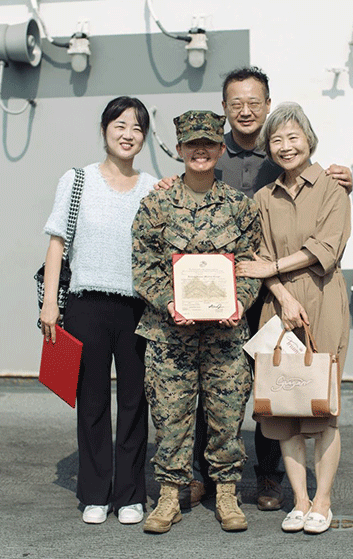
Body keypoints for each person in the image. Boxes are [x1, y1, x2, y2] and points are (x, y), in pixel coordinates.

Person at [157, 67, 352, 512]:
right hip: (214, 295)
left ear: (267, 105)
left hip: (269, 293)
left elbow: (316, 210)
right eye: (236, 103)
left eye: (254, 102)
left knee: (280, 385)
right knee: (213, 387)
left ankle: (269, 478)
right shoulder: (209, 155)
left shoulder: (279, 157)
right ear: (224, 109)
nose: (246, 110)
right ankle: (205, 476)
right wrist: (169, 181)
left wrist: (344, 182)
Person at [132, 110, 262, 533]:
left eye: (208, 144)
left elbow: (248, 264)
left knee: (226, 415)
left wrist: (240, 303)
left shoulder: (239, 208)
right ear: (181, 150)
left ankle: (227, 494)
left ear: (221, 149)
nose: (200, 151)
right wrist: (170, 302)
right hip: (171, 333)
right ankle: (170, 496)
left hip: (224, 335)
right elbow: (144, 267)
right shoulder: (156, 204)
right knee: (171, 417)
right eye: (192, 145)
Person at [39, 96, 158, 526]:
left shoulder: (152, 188)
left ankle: (129, 495)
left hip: (135, 308)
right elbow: (57, 243)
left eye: (137, 127)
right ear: (105, 129)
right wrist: (51, 302)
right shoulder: (75, 181)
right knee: (90, 402)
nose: (128, 134)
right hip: (86, 302)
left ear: (144, 137)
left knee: (133, 401)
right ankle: (94, 492)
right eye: (119, 125)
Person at [236, 102, 351, 535]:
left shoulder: (332, 189)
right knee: (284, 406)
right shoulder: (264, 198)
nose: (286, 147)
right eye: (277, 140)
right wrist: (280, 292)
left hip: (323, 300)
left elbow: (327, 247)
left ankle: (323, 500)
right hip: (280, 306)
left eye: (293, 137)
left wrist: (273, 269)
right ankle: (299, 500)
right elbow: (259, 258)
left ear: (309, 139)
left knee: (322, 406)